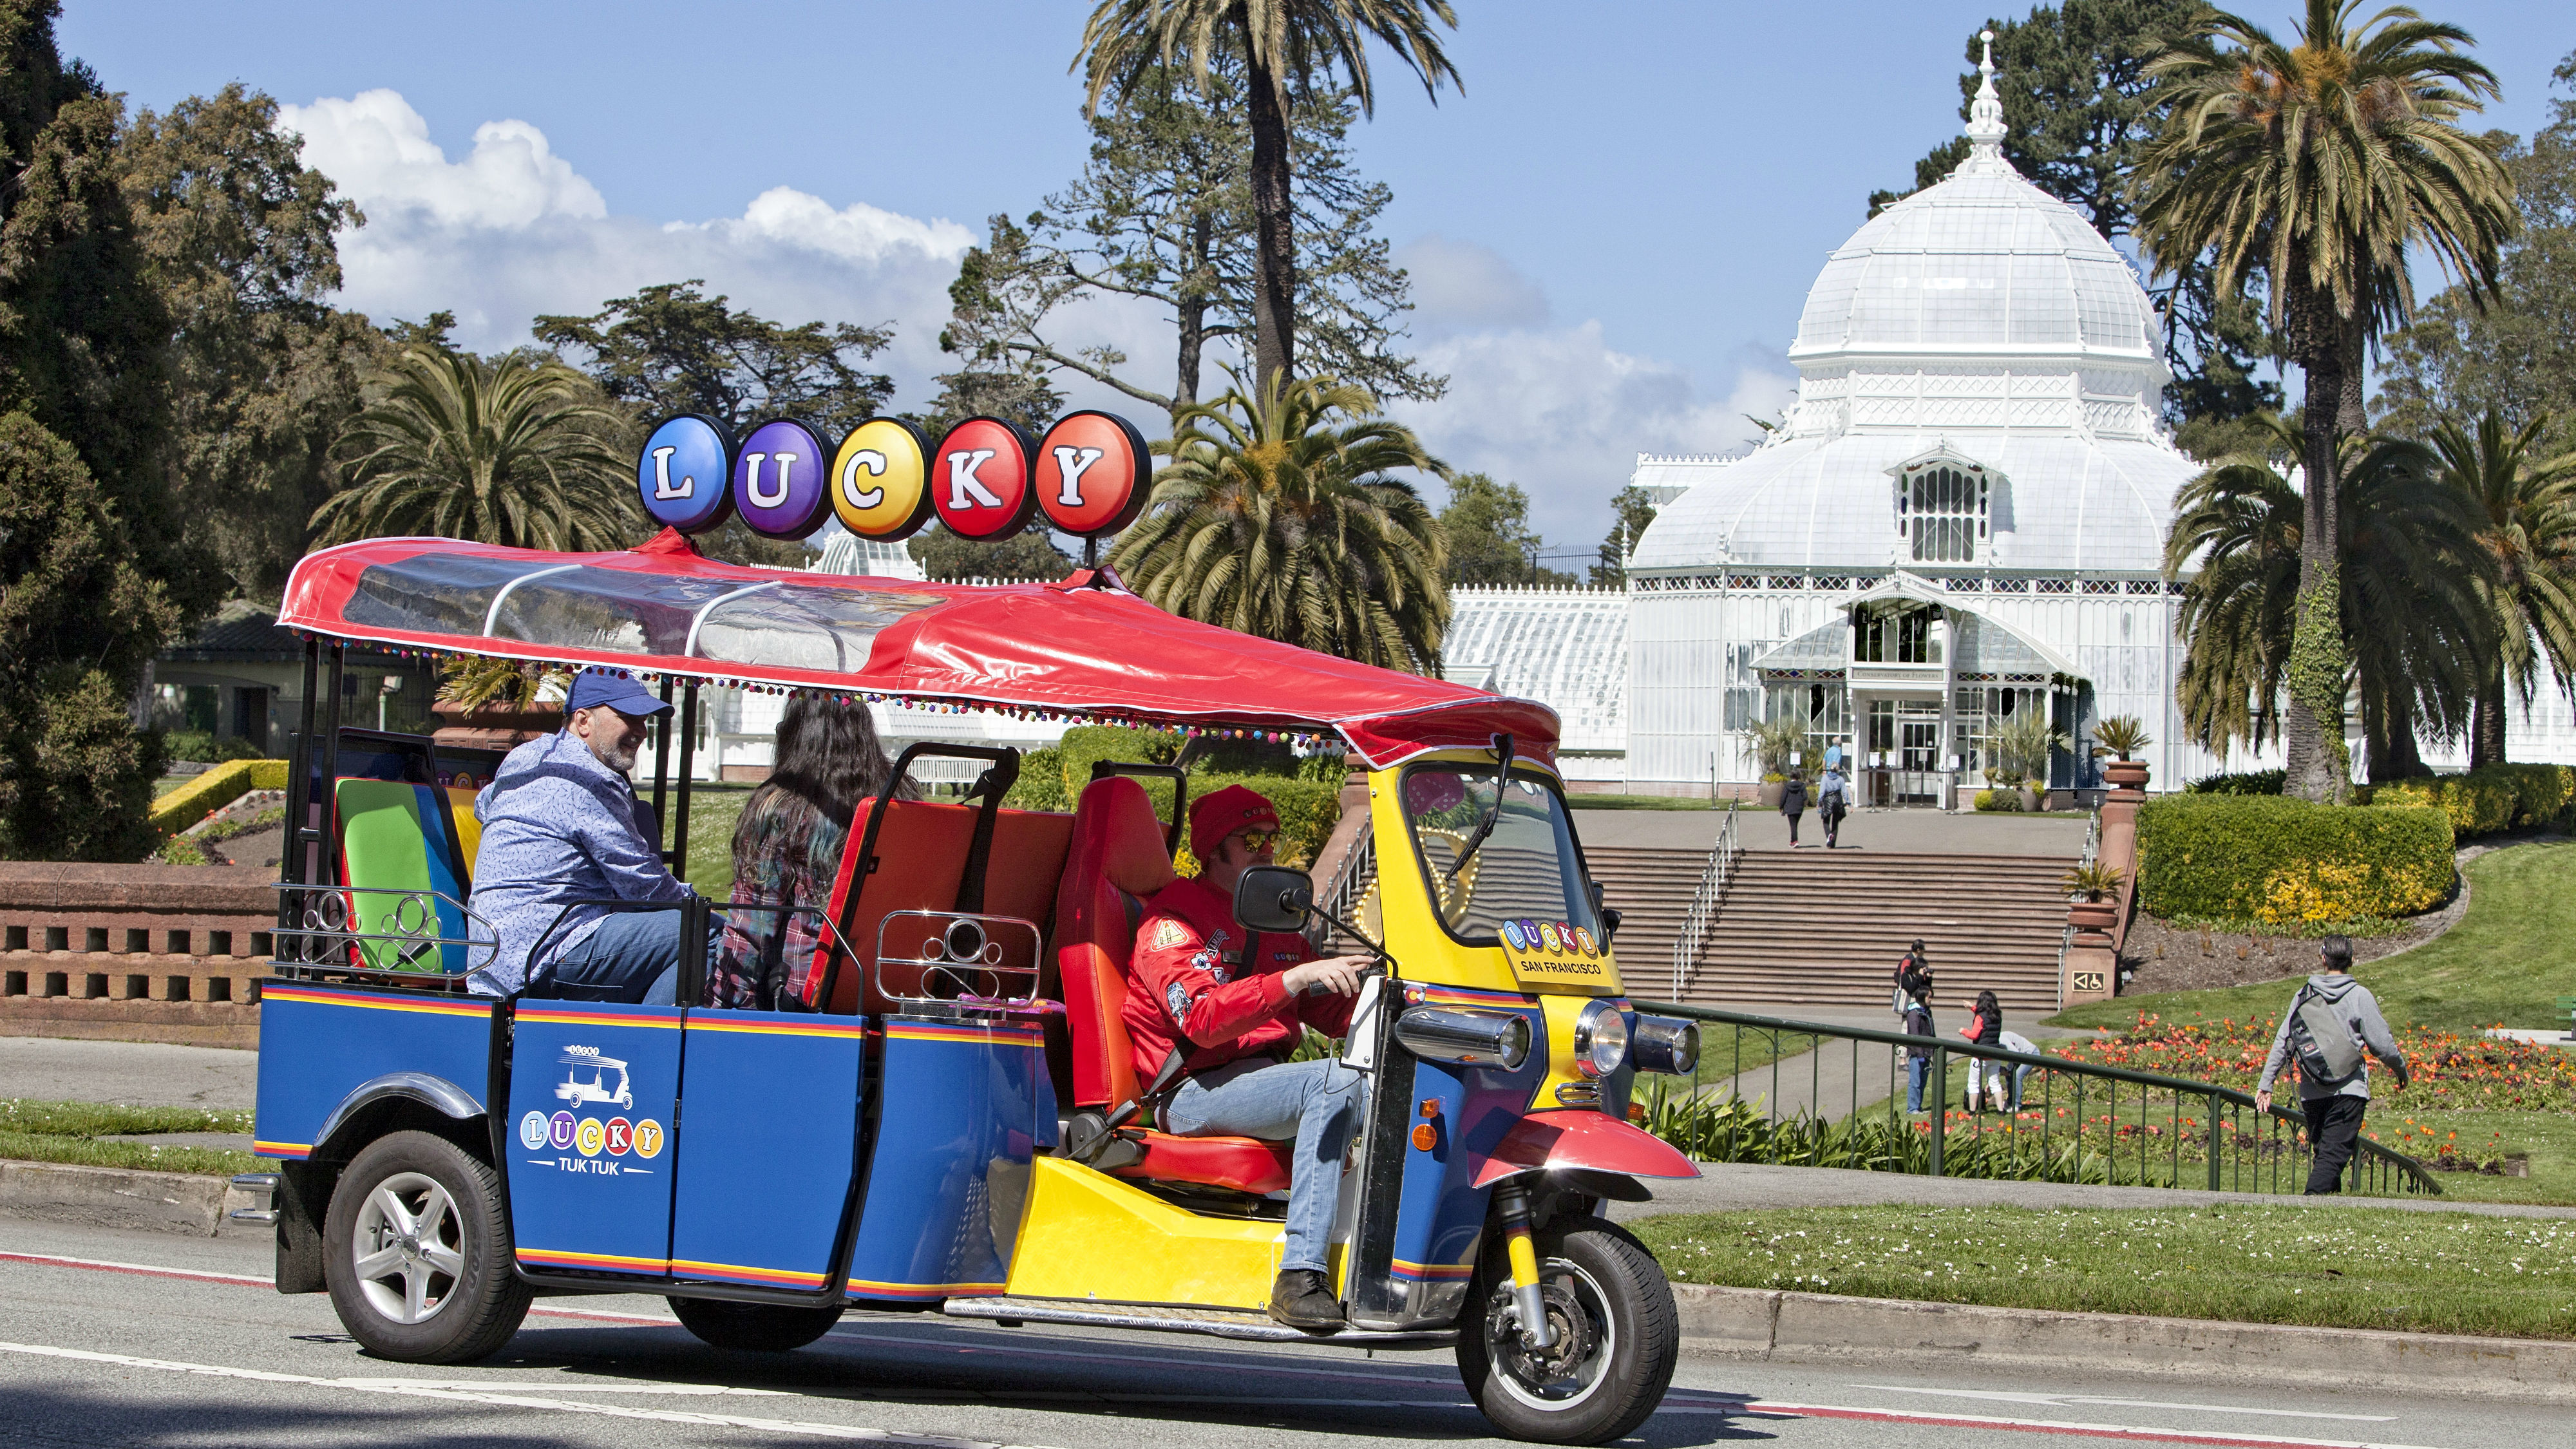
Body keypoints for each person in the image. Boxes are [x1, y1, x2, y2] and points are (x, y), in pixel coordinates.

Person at [1125, 784, 1379, 1331]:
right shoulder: (1170, 922)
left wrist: (1393, 1000)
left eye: (1271, 839)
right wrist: (1291, 979)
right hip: (1191, 1091)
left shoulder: (1273, 921)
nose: (1266, 850)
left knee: (1396, 1079)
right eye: (1250, 839)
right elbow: (1200, 1020)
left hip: (1263, 1083)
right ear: (1212, 849)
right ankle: (1300, 1276)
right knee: (1334, 1081)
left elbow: (1334, 1013)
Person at [469, 669, 697, 1003]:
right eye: (628, 717)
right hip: (546, 953)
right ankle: (649, 1034)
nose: (640, 730)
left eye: (643, 720)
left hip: (490, 959)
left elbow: (482, 805)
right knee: (699, 932)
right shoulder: (591, 779)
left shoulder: (525, 757)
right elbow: (642, 884)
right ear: (583, 721)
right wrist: (699, 903)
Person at [710, 692, 911, 1010]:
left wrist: (723, 1010)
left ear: (797, 730)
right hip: (891, 987)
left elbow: (752, 927)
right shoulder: (901, 796)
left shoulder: (782, 807)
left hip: (804, 999)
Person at [2255, 936, 2409, 1195]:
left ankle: (2326, 1209)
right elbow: (2383, 1046)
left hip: (2313, 1091)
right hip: (2348, 1091)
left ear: (2323, 959)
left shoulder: (2304, 994)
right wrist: (2401, 1070)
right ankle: (2308, 1204)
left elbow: (2284, 1039)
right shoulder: (2359, 996)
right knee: (2332, 1158)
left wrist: (2266, 1083)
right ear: (2352, 960)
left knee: (2326, 1156)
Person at [1958, 989, 2005, 1111]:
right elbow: (1985, 1017)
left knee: (1974, 1084)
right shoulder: (1997, 1017)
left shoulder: (1980, 1017)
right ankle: (2001, 1110)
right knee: (1995, 1083)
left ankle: (1973, 1111)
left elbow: (1974, 1035)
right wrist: (1971, 1007)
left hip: (1980, 1056)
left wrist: (1963, 1031)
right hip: (1994, 1055)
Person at [1901, 972, 1938, 1113]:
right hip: (1917, 1054)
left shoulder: (1927, 1012)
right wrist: (1920, 1054)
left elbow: (1931, 1031)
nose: (1931, 1000)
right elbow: (1915, 1035)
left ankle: (1918, 1106)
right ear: (1923, 997)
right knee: (1915, 1082)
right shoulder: (1914, 1013)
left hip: (1927, 1052)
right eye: (1929, 997)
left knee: (1923, 1082)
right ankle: (1912, 1108)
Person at [1819, 761, 1851, 849]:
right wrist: (1849, 803)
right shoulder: (1841, 779)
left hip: (1827, 800)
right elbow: (1845, 792)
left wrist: (1819, 802)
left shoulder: (1825, 778)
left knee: (1826, 821)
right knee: (1835, 823)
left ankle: (1829, 835)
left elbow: (1822, 792)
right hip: (1838, 801)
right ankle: (1832, 843)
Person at [1891, 940, 1927, 1018]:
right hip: (1910, 994)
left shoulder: (1919, 959)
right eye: (1923, 949)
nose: (1924, 951)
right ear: (1918, 950)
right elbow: (1904, 976)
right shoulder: (1908, 960)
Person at [1780, 767, 1809, 847]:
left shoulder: (1787, 786)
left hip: (1790, 808)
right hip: (1799, 808)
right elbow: (1805, 796)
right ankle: (1792, 841)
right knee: (1794, 825)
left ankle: (1795, 841)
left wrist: (1781, 806)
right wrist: (1800, 800)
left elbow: (1783, 797)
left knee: (1793, 825)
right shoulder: (1802, 785)